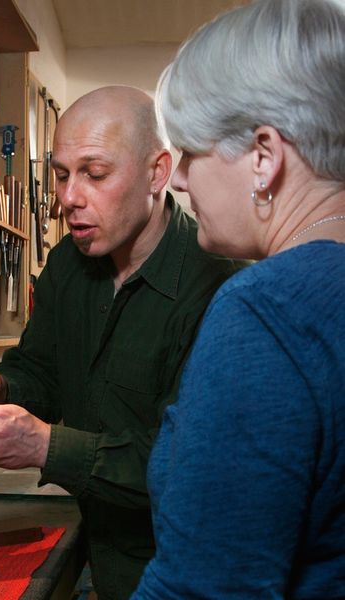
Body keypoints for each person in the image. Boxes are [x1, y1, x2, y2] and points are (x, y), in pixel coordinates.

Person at [0, 86, 242, 600]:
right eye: (60, 173)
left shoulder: (219, 287)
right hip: (93, 550)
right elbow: (43, 375)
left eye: (95, 174)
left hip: (180, 575)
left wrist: (42, 444)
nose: (70, 197)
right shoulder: (65, 266)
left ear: (157, 173)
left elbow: (189, 467)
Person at [132, 1, 345, 598]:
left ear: (262, 156)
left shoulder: (265, 312)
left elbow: (204, 588)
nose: (178, 181)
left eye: (192, 154)